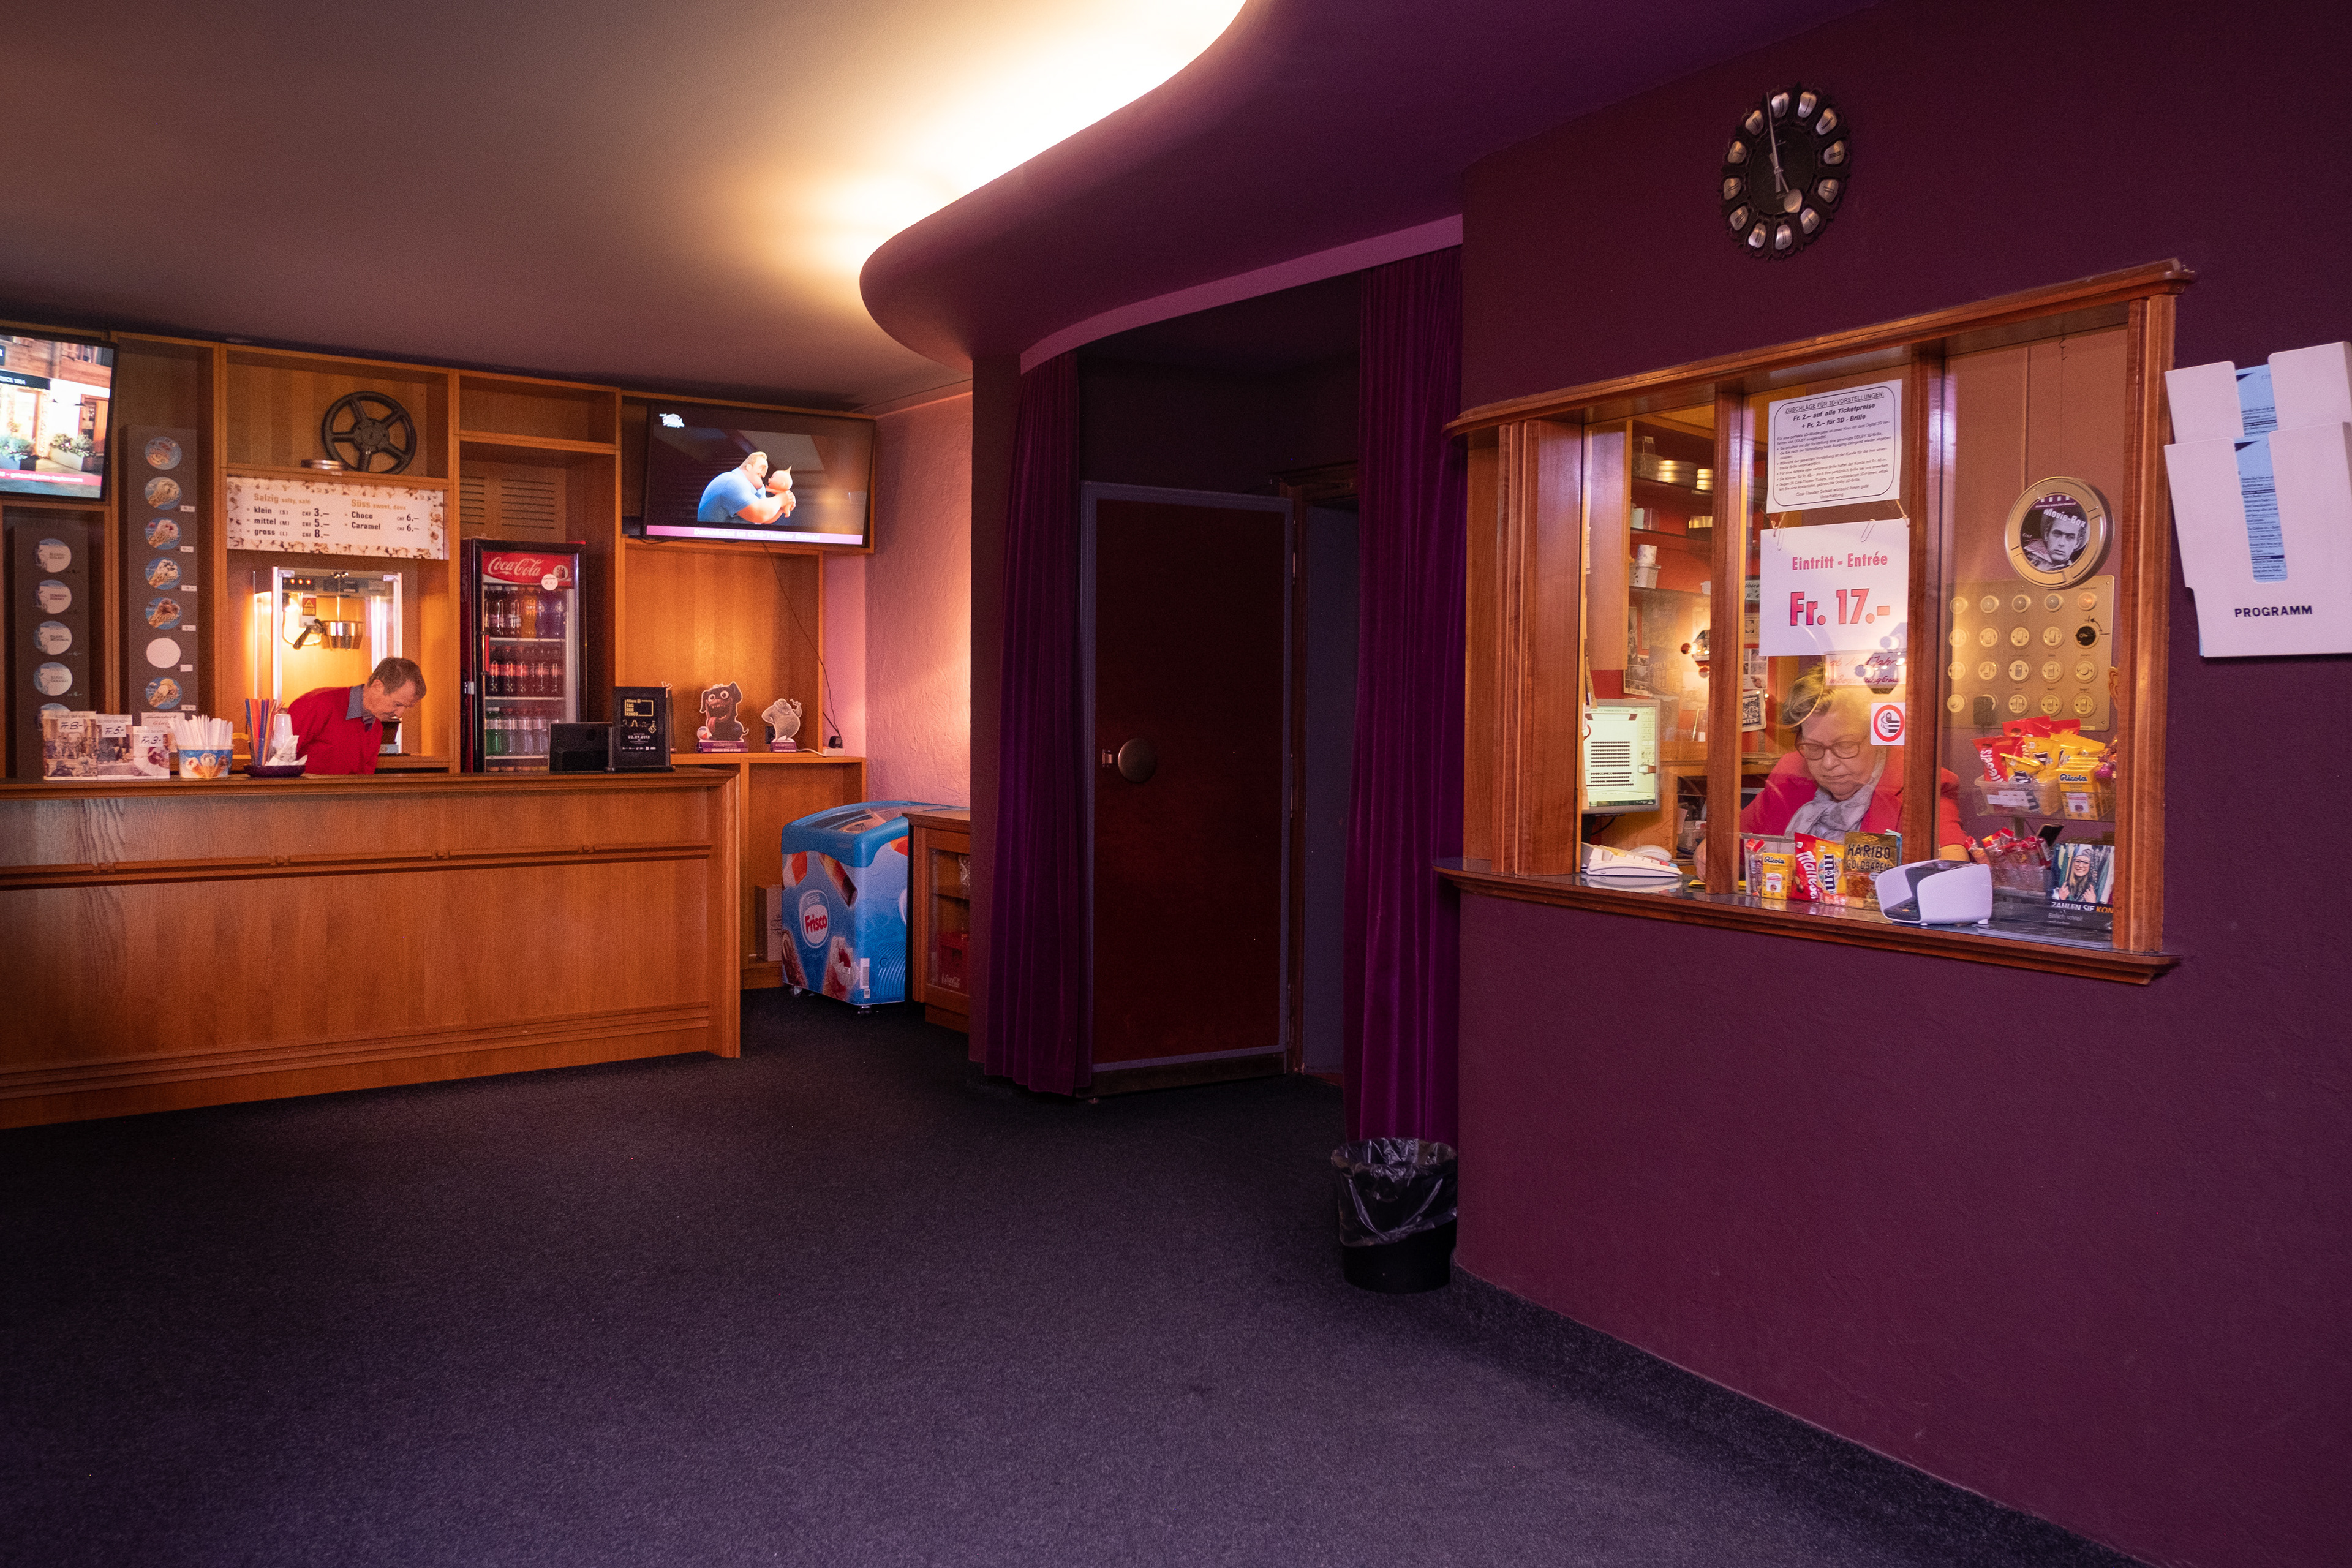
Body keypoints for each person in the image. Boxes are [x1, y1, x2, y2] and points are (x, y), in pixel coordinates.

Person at [1695, 672, 1966, 876]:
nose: (1828, 763)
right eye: (1813, 747)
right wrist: (1710, 851)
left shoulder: (1921, 783)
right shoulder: (1791, 772)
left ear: (1876, 738)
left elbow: (1952, 867)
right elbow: (1730, 842)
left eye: (1845, 746)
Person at [287, 656, 424, 775]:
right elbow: (279, 761)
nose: (400, 714)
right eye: (398, 704)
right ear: (377, 686)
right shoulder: (319, 704)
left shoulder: (375, 726)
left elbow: (362, 782)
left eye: (407, 707)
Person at [696, 451, 796, 527]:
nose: (764, 473)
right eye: (761, 467)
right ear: (749, 467)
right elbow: (759, 514)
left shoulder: (757, 489)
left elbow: (766, 518)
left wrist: (781, 507)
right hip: (712, 541)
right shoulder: (733, 481)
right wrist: (780, 499)